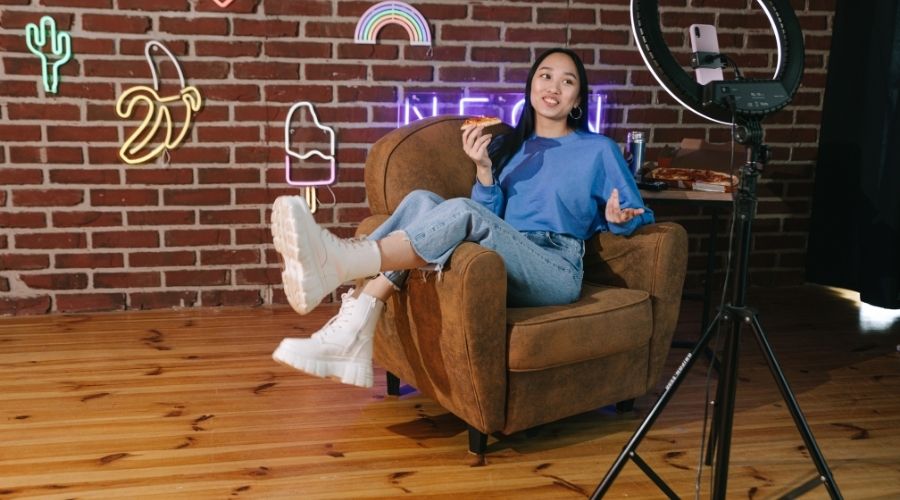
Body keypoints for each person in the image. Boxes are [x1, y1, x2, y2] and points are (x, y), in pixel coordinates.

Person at [270, 47, 654, 388]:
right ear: (532, 87)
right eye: (545, 76)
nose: (554, 86)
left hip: (555, 269)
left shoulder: (598, 149)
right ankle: (356, 323)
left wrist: (617, 217)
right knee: (421, 200)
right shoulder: (509, 148)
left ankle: (342, 266)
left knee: (458, 209)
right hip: (505, 259)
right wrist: (485, 170)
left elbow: (641, 214)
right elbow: (485, 220)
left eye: (567, 81)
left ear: (577, 100)